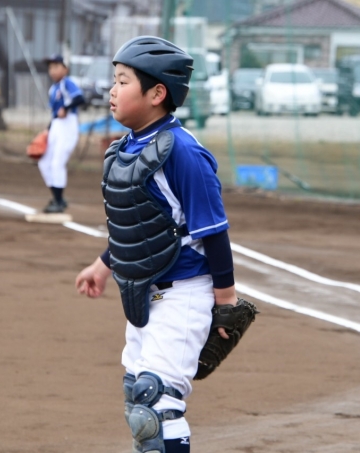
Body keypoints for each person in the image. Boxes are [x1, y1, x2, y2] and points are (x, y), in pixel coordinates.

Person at [75, 36, 238, 453]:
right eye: (114, 80)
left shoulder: (183, 152)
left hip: (183, 293)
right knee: (137, 398)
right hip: (143, 293)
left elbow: (213, 231)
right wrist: (103, 265)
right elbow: (142, 227)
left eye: (123, 81)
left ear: (157, 94)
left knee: (156, 405)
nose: (112, 90)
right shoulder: (126, 149)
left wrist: (226, 301)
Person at [39, 54, 85, 213]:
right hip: (56, 126)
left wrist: (66, 108)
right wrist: (47, 129)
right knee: (44, 162)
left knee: (57, 164)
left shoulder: (67, 83)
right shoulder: (53, 88)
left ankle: (58, 202)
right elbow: (55, 114)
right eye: (50, 67)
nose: (52, 70)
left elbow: (80, 98)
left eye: (56, 66)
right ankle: (58, 198)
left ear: (65, 69)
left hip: (68, 125)